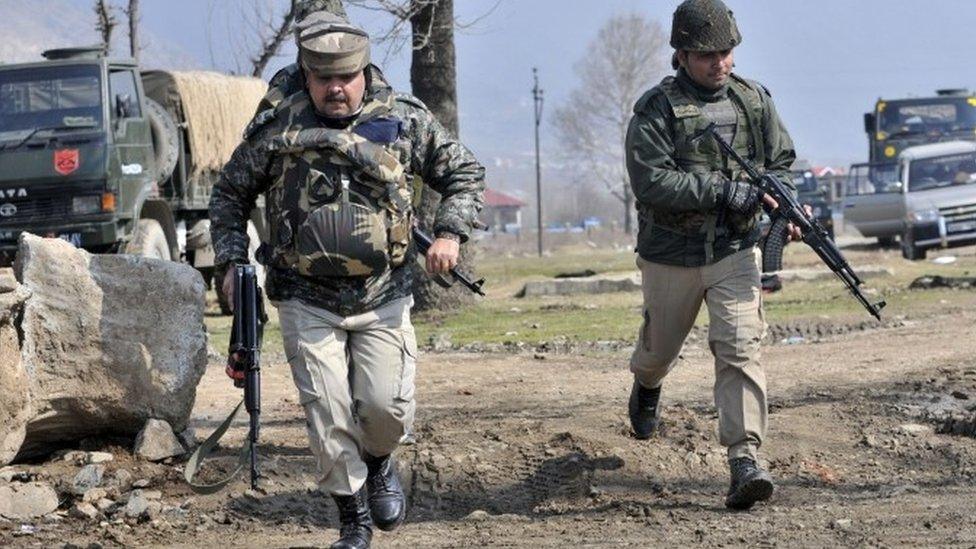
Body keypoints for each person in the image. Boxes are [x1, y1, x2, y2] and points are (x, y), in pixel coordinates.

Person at [209, 12, 485, 549]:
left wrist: (451, 233)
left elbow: (465, 173)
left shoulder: (404, 119)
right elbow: (229, 195)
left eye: (346, 78)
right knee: (327, 411)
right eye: (323, 79)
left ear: (364, 72)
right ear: (307, 76)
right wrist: (229, 262)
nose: (336, 89)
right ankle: (352, 516)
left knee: (384, 411)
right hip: (304, 297)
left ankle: (380, 460)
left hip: (383, 294)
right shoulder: (277, 128)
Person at [625, 0, 798, 511]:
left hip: (734, 251)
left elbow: (781, 161)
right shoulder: (655, 109)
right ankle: (646, 385)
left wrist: (778, 201)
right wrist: (721, 190)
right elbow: (651, 182)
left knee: (740, 346)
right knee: (660, 351)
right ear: (680, 55)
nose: (718, 63)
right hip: (671, 255)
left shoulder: (754, 101)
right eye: (706, 55)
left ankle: (745, 459)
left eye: (725, 52)